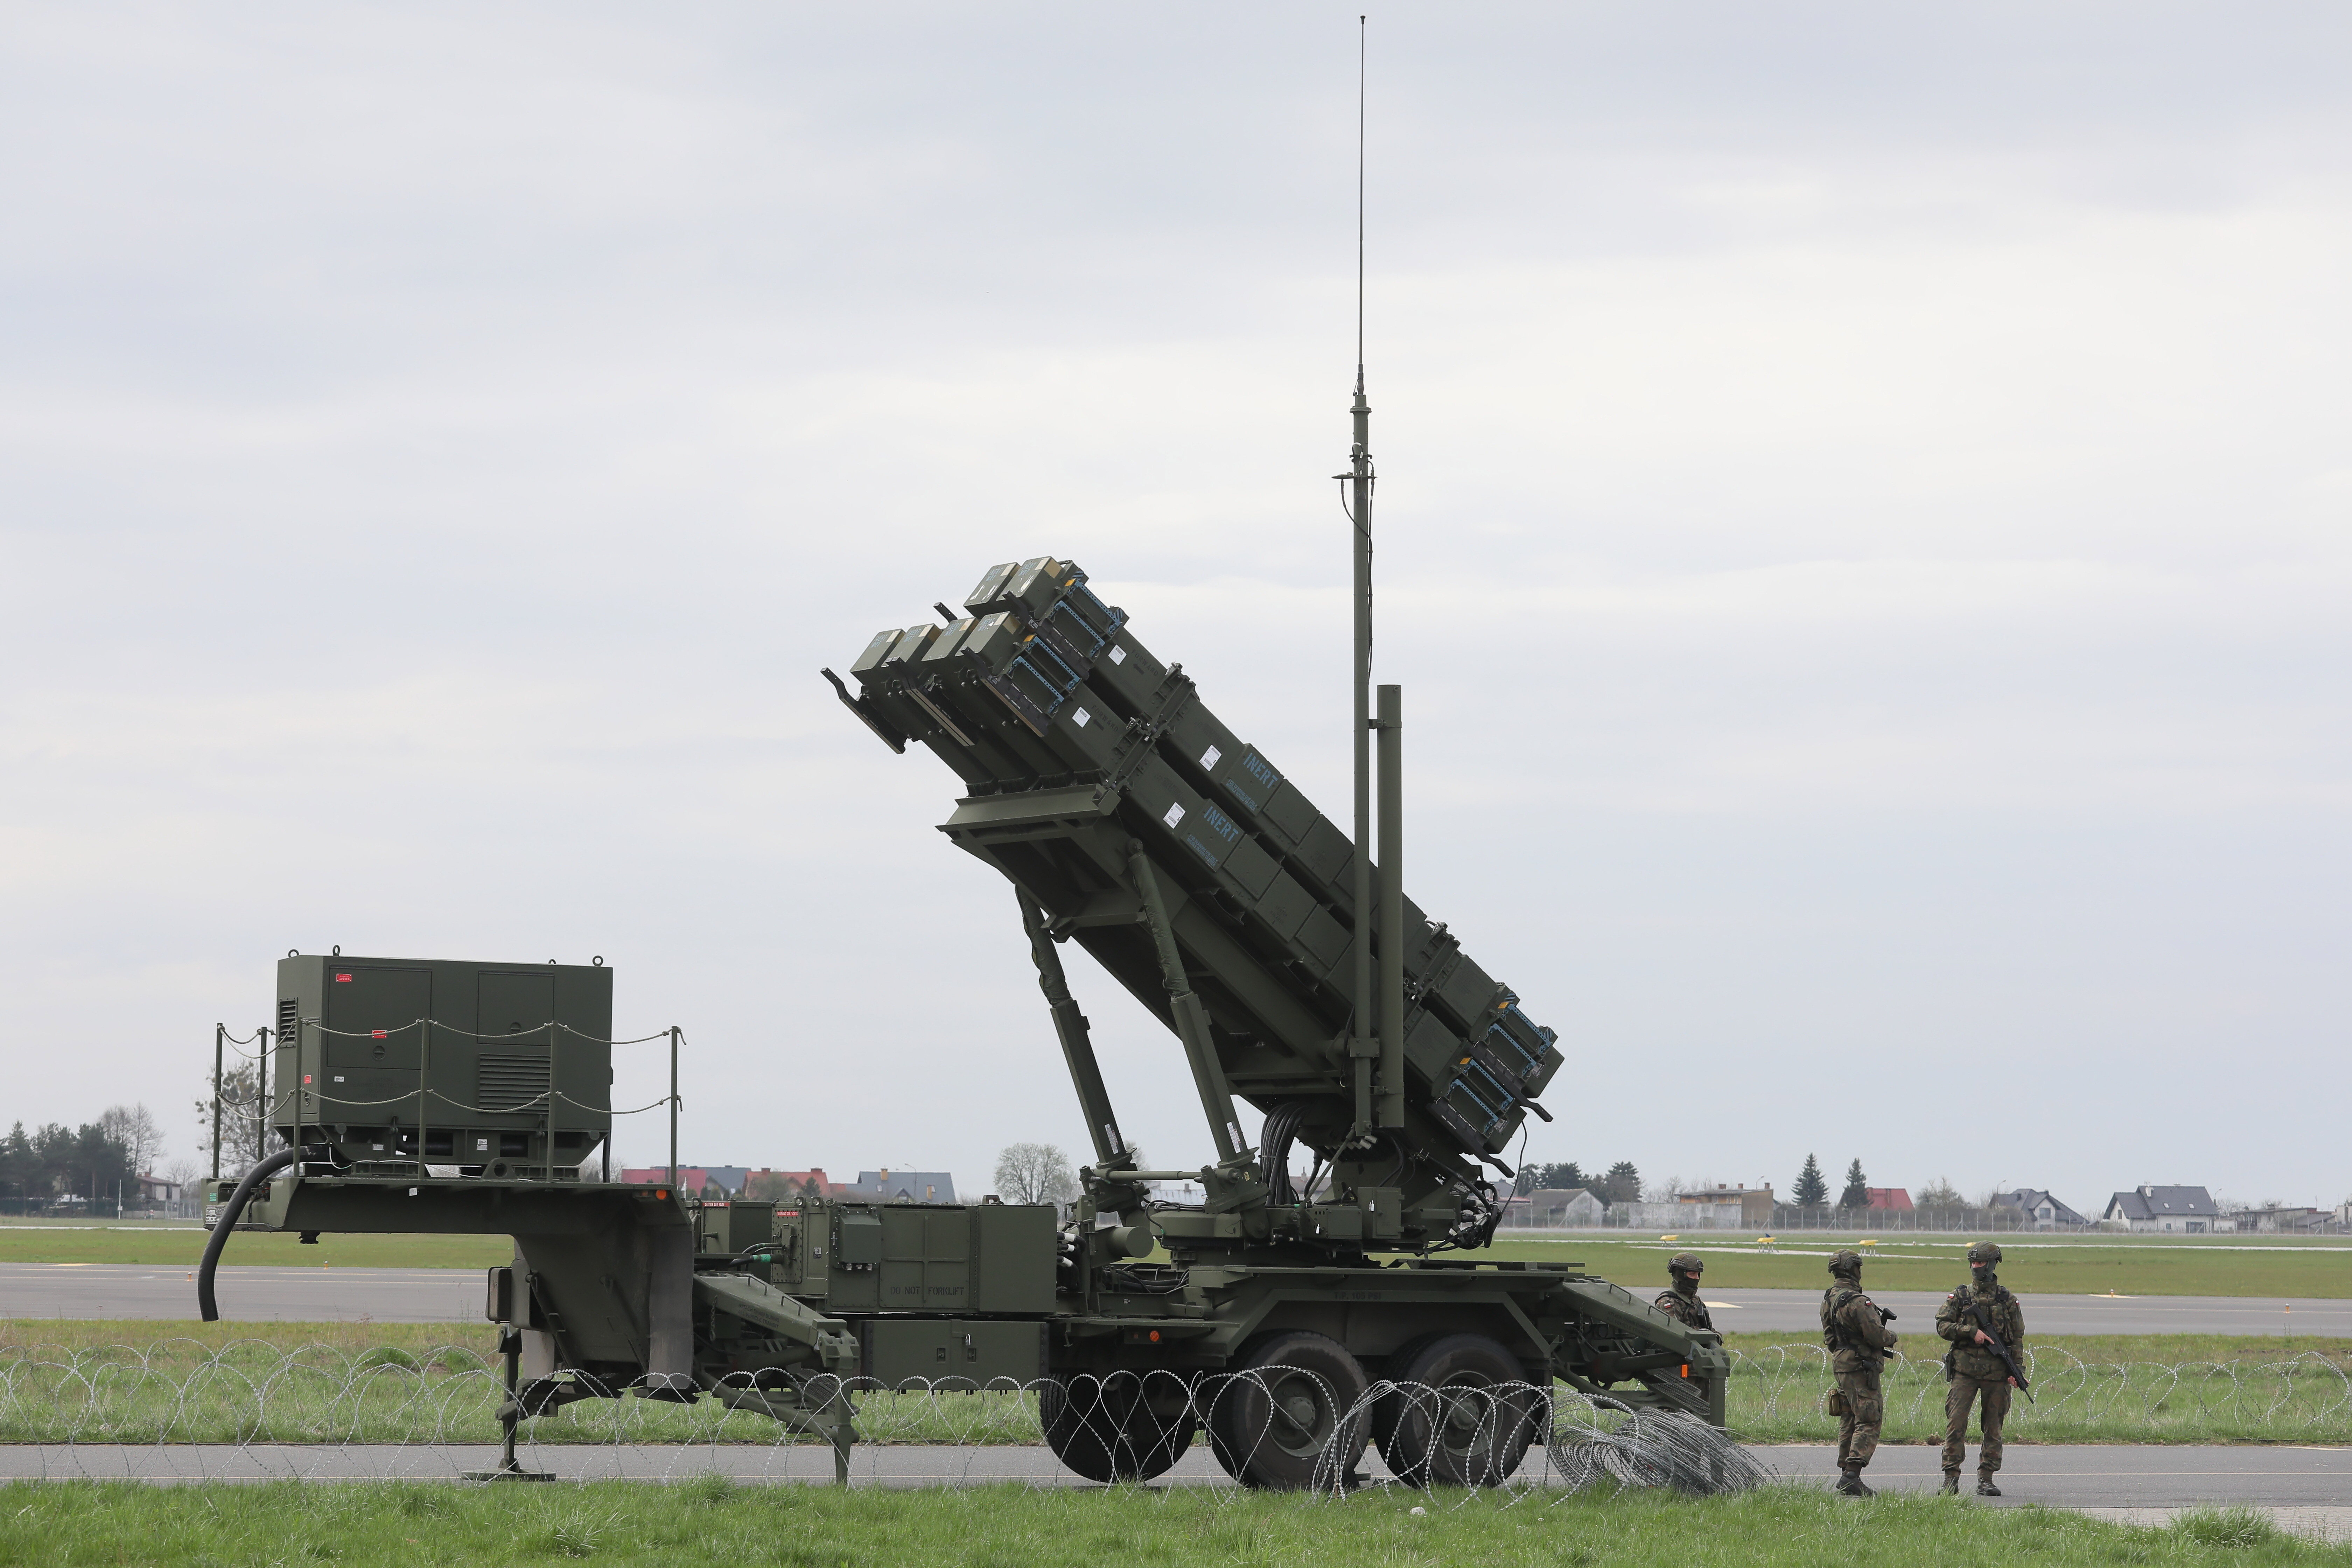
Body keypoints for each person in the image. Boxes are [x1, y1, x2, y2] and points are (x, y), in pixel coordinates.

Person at [1935, 1239, 2027, 1496]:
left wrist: (2017, 1372)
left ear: (1992, 1264)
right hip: (1965, 1372)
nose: (1975, 1267)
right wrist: (1970, 1332)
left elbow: (2017, 1339)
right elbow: (1942, 1326)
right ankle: (1950, 1479)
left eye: (1981, 1263)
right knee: (1956, 1425)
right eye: (1973, 1262)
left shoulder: (2007, 1300)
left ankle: (1986, 1479)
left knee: (1993, 1428)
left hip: (1997, 1374)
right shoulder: (1961, 1296)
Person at [1820, 1248, 1897, 1497]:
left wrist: (1845, 1352)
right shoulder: (1858, 1302)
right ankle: (1852, 1475)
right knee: (1869, 1418)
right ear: (1852, 1269)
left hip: (1842, 1364)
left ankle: (1846, 1472)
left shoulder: (1829, 1299)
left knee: (1849, 1417)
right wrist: (1891, 1337)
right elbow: (1877, 1336)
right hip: (1861, 1366)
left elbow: (1830, 1338)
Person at [1653, 1252, 1714, 1330]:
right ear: (1680, 1275)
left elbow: (1711, 1330)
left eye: (1698, 1274)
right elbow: (1675, 1334)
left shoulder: (1696, 1301)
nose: (1697, 1278)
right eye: (1693, 1274)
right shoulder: (1669, 1303)